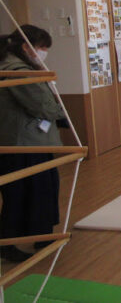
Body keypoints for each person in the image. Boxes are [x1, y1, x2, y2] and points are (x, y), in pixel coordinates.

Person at [0, 25, 64, 262]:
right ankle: (8, 243)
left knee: (42, 190)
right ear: (26, 47)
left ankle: (42, 234)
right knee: (20, 194)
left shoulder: (21, 68)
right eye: (41, 47)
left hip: (30, 141)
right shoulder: (17, 72)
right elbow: (42, 106)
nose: (43, 52)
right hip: (22, 144)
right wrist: (59, 111)